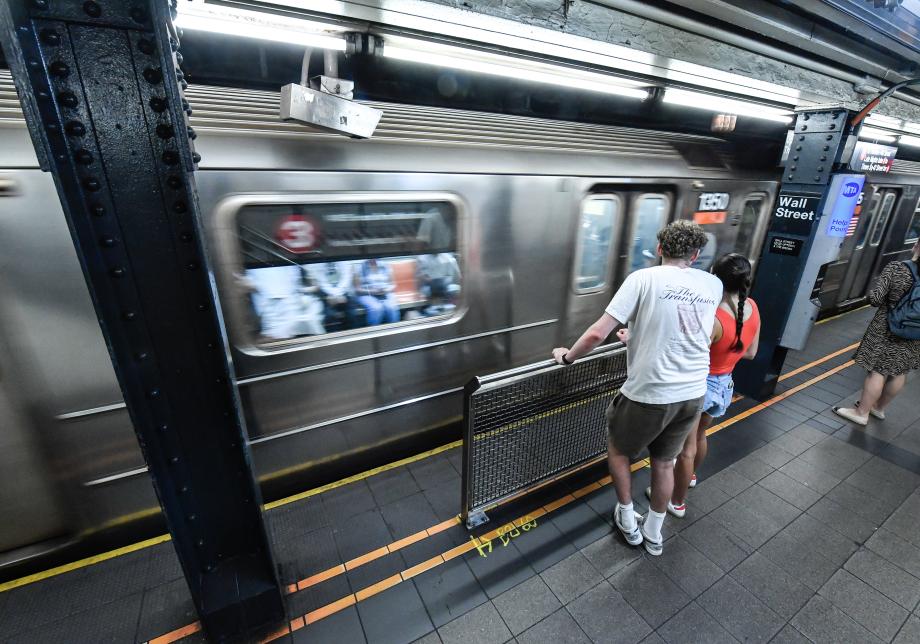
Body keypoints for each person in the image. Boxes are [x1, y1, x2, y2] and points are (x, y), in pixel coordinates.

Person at [552, 220, 721, 555]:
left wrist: (567, 357)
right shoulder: (711, 284)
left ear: (660, 249)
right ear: (696, 254)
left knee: (618, 451)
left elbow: (597, 334)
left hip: (650, 391)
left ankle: (627, 517)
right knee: (663, 462)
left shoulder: (643, 279)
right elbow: (687, 326)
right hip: (692, 392)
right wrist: (637, 337)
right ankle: (654, 534)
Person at [664, 254, 760, 517]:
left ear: (714, 278)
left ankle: (677, 501)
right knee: (701, 435)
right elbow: (751, 352)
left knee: (685, 447)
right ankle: (691, 477)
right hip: (725, 384)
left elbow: (691, 353)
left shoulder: (714, 315)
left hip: (701, 386)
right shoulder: (752, 307)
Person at [834, 240, 920, 425]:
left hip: (887, 328)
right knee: (899, 371)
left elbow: (876, 298)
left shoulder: (897, 268)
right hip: (915, 333)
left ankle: (861, 412)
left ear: (917, 246)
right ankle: (878, 408)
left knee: (878, 371)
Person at [356, 259, 400, 326]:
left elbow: (393, 285)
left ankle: (395, 332)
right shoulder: (360, 266)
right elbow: (357, 289)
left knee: (391, 308)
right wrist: (372, 291)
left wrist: (386, 290)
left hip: (385, 293)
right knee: (376, 309)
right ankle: (373, 333)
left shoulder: (385, 264)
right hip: (367, 294)